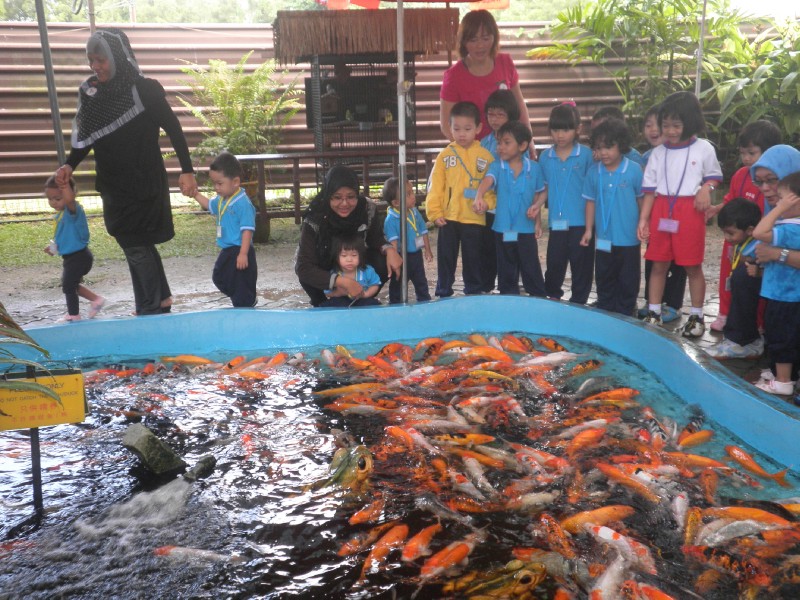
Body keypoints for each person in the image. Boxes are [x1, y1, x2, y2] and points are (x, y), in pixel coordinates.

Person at [54, 28, 197, 316]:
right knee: (136, 241)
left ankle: (149, 306)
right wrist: (70, 164)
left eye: (101, 60)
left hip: (144, 182)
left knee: (134, 242)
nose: (95, 66)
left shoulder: (143, 90)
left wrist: (187, 170)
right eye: (91, 60)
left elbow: (174, 128)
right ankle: (161, 299)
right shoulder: (92, 93)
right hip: (113, 184)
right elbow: (88, 137)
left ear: (117, 57)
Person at [637, 91, 723, 337]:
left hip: (690, 211)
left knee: (692, 266)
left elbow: (714, 177)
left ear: (690, 121)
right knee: (658, 264)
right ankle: (654, 311)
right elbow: (649, 191)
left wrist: (706, 189)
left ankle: (696, 316)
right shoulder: (658, 153)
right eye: (666, 125)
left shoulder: (704, 148)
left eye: (676, 125)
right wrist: (643, 220)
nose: (671, 131)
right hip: (662, 209)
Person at [705, 120, 782, 332]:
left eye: (752, 153)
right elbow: (731, 199)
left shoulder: (775, 181)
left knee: (754, 278)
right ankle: (724, 312)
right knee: (727, 275)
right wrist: (717, 208)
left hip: (758, 241)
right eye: (742, 153)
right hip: (734, 237)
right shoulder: (740, 175)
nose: (746, 158)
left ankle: (758, 322)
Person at [295, 165, 402, 307]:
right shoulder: (315, 216)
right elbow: (303, 267)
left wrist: (389, 249)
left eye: (351, 197)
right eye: (337, 197)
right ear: (328, 195)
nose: (344, 203)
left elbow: (375, 238)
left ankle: (361, 297)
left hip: (354, 265)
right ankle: (321, 302)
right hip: (325, 267)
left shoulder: (366, 208)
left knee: (385, 260)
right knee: (307, 272)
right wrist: (342, 282)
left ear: (357, 194)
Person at [426, 101, 495, 297]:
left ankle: (473, 290)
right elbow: (435, 187)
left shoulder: (486, 157)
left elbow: (491, 188)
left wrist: (487, 204)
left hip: (474, 217)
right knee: (446, 256)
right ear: (450, 128)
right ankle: (443, 289)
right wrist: (435, 212)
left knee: (473, 256)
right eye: (457, 129)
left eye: (467, 128)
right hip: (448, 217)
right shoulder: (445, 156)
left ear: (478, 128)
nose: (462, 134)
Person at [580, 118, 644, 316]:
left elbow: (641, 199)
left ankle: (626, 310)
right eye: (599, 148)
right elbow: (590, 202)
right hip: (603, 238)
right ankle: (606, 308)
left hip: (628, 238)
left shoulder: (634, 170)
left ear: (621, 145)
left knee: (628, 277)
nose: (603, 153)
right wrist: (588, 230)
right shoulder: (593, 172)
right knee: (604, 275)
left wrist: (644, 223)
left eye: (609, 147)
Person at [474, 121, 546, 296]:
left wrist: (537, 215)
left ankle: (538, 296)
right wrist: (479, 195)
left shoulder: (534, 168)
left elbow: (540, 193)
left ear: (522, 145)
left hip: (526, 228)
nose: (500, 147)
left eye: (507, 143)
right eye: (499, 143)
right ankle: (507, 295)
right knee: (506, 265)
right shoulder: (497, 166)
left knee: (530, 264)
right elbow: (488, 180)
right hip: (502, 228)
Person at [533, 102, 594, 303]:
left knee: (581, 264)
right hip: (556, 222)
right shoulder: (545, 157)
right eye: (555, 129)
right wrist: (537, 208)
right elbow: (544, 188)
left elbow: (593, 189)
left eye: (566, 130)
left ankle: (579, 300)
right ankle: (553, 295)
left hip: (581, 222)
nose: (560, 135)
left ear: (578, 129)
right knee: (555, 261)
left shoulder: (586, 155)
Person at [439, 10, 531, 142]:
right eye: (473, 40)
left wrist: (528, 140)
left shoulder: (505, 62)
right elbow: (446, 125)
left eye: (486, 38)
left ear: (494, 38)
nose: (480, 45)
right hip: (472, 148)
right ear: (463, 41)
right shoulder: (453, 76)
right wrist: (469, 150)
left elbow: (519, 105)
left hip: (509, 146)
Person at [752, 172, 800, 394]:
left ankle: (783, 382)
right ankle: (786, 376)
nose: (777, 201)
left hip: (784, 295)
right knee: (789, 336)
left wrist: (778, 210)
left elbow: (759, 232)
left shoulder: (790, 229)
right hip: (789, 295)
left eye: (782, 198)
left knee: (780, 337)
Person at [638, 104, 686, 324]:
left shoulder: (683, 153)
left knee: (678, 260)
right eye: (648, 125)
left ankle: (673, 304)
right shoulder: (647, 157)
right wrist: (645, 218)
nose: (654, 129)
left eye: (659, 125)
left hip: (677, 215)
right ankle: (653, 303)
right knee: (654, 258)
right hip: (657, 216)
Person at [192, 152, 258, 308]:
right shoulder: (222, 199)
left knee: (241, 285)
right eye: (214, 183)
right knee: (218, 277)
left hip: (240, 250)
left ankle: (246, 303)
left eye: (219, 183)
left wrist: (243, 253)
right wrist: (195, 194)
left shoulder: (243, 203)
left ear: (235, 182)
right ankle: (244, 298)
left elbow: (247, 230)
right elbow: (209, 205)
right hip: (227, 250)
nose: (216, 188)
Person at [706, 199, 764, 359]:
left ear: (750, 230)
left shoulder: (759, 247)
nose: (727, 238)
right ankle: (741, 339)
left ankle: (744, 342)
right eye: (724, 232)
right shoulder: (742, 244)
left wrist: (758, 270)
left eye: (730, 233)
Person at [43, 176, 105, 322]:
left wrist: (64, 184)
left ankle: (73, 315)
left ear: (70, 194)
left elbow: (69, 200)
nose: (53, 202)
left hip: (79, 257)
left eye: (58, 198)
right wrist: (54, 247)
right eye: (50, 199)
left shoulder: (73, 211)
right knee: (71, 285)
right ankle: (96, 300)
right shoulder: (61, 214)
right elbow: (66, 236)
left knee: (68, 286)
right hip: (72, 257)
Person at [479, 89, 519, 292]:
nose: (494, 119)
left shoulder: (519, 143)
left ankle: (508, 290)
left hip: (510, 207)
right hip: (488, 208)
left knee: (509, 250)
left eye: (500, 114)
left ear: (511, 115)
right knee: (486, 251)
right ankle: (485, 289)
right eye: (491, 114)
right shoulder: (483, 143)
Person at [382, 177, 432, 304]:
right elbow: (393, 243)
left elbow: (423, 230)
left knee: (421, 280)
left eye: (412, 192)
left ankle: (424, 301)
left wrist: (427, 250)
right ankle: (395, 304)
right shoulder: (391, 220)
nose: (413, 196)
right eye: (408, 194)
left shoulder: (414, 212)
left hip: (417, 255)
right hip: (402, 257)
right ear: (396, 203)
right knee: (398, 283)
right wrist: (395, 261)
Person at [321, 236, 381, 308]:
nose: (349, 260)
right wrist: (338, 293)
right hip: (341, 299)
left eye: (354, 255)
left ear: (361, 256)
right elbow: (327, 292)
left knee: (372, 303)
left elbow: (375, 284)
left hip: (361, 299)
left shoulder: (367, 270)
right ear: (336, 257)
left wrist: (366, 294)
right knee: (332, 304)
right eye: (344, 255)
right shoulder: (333, 273)